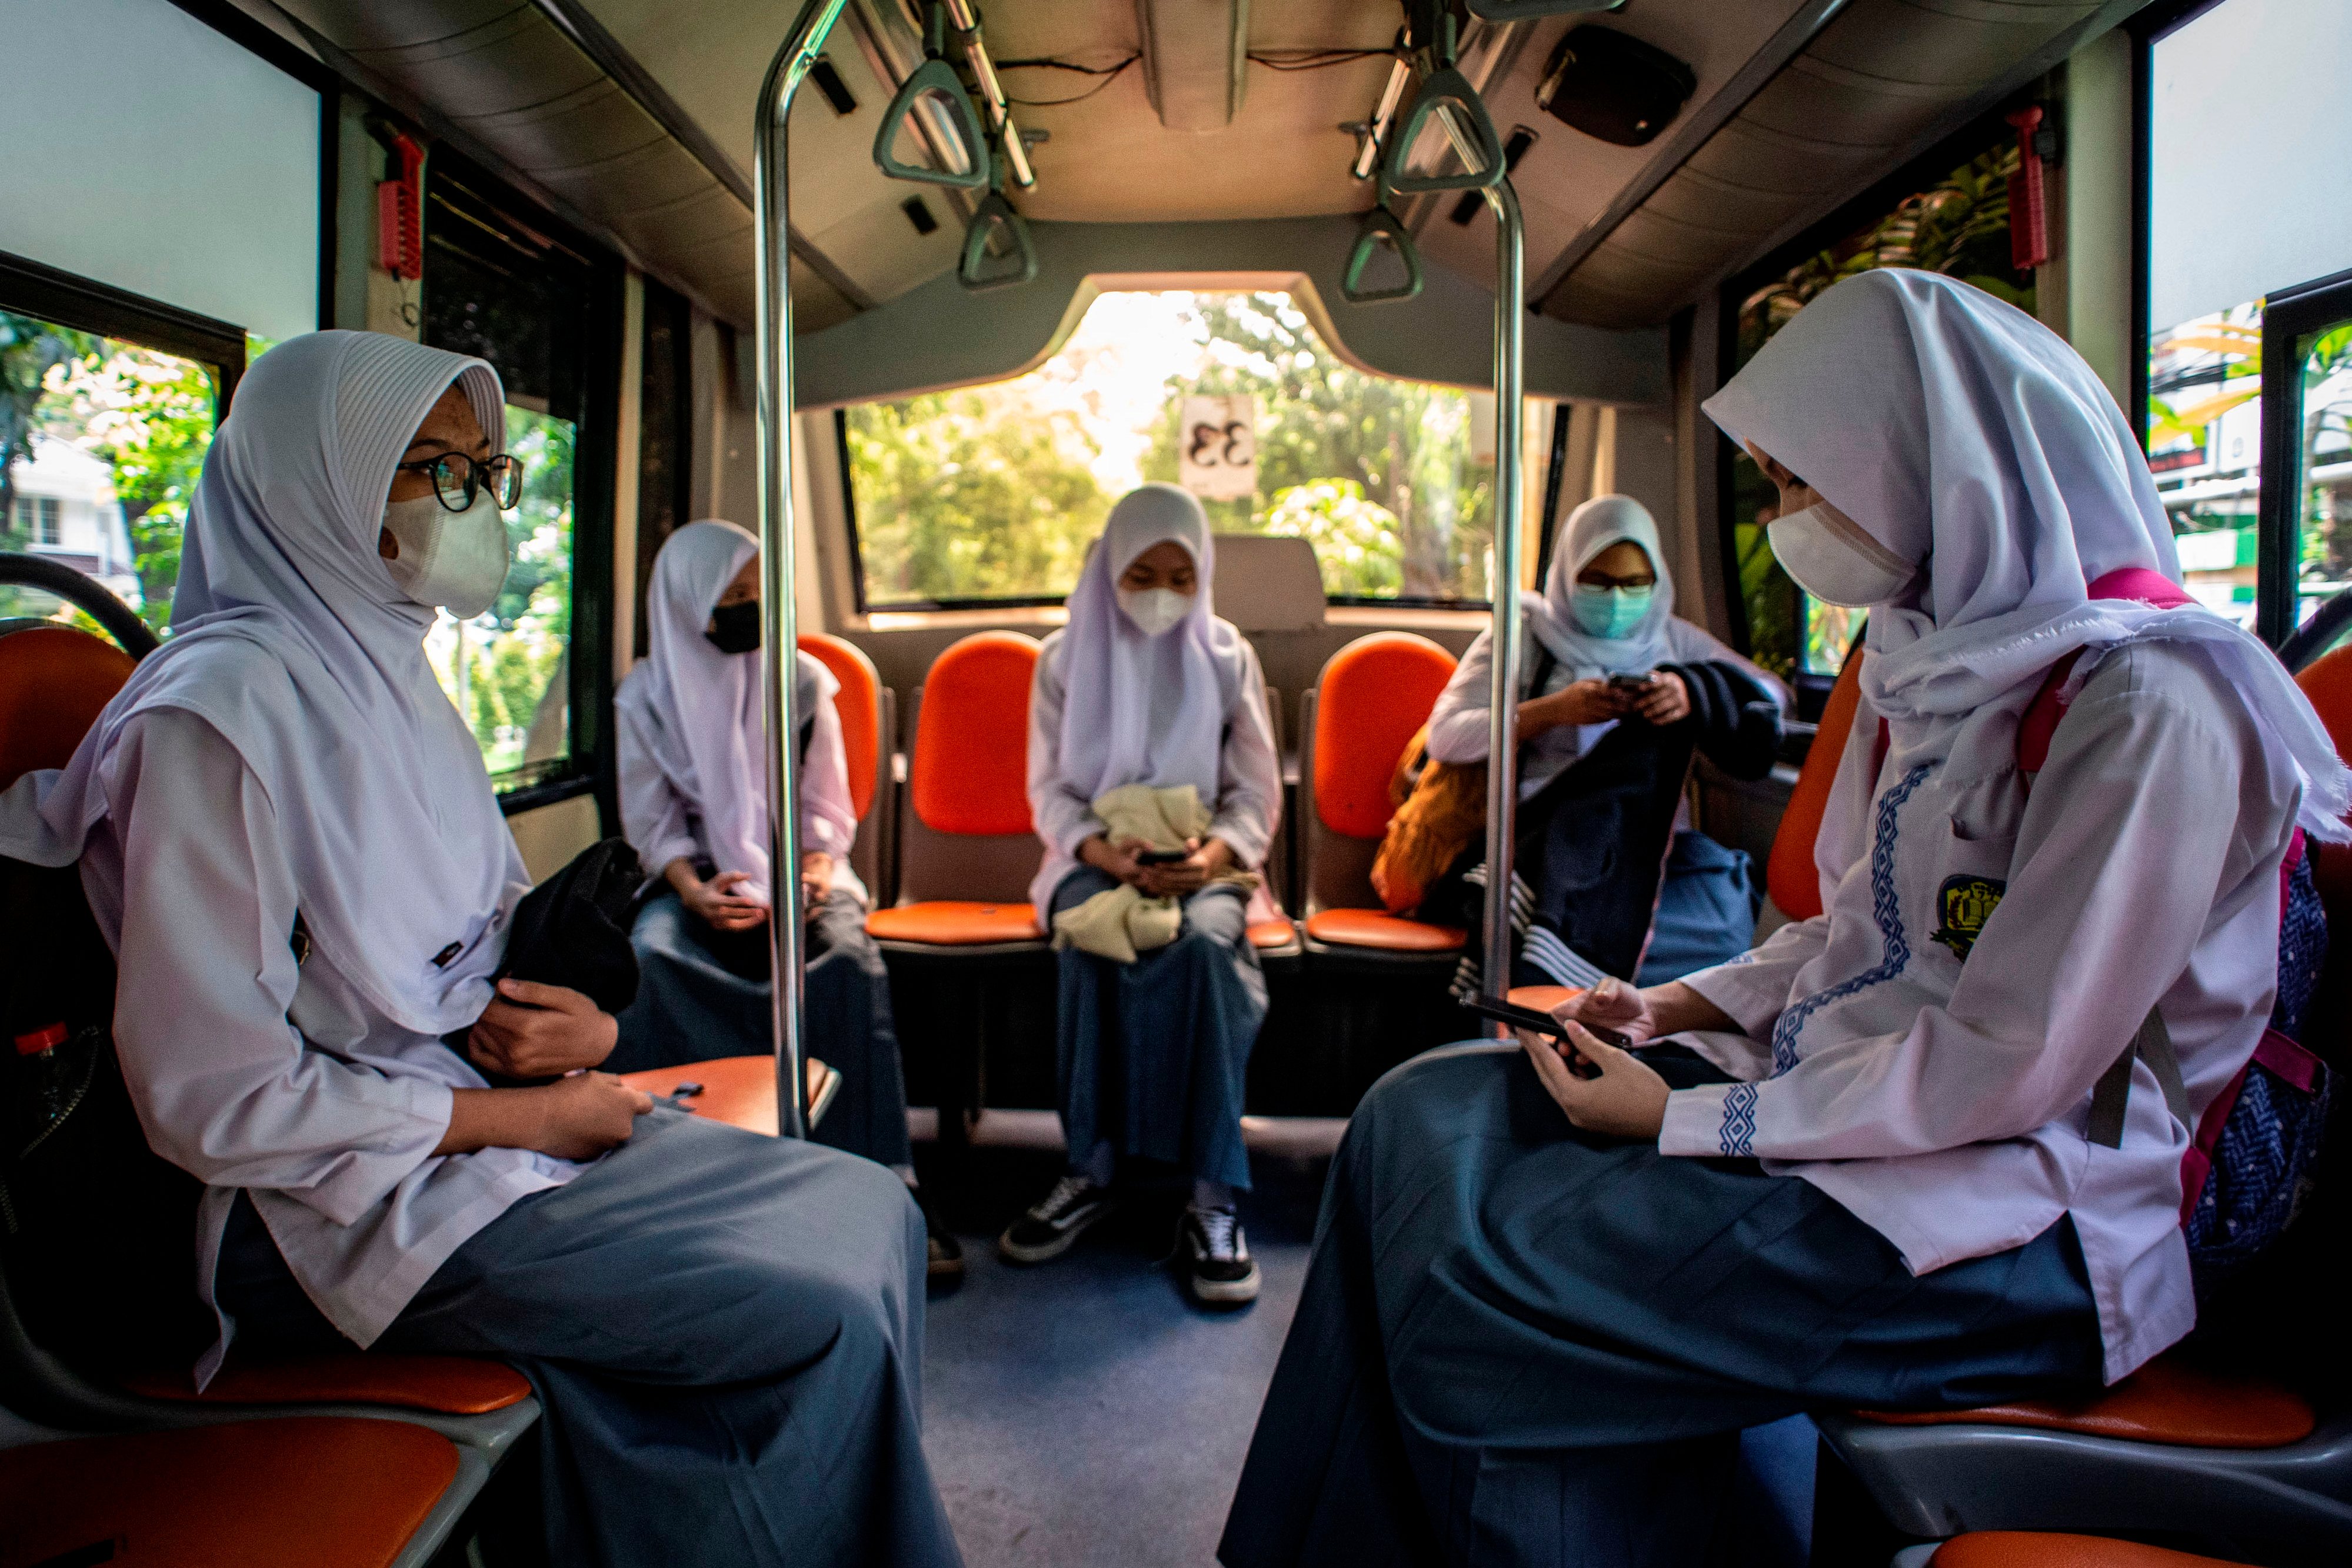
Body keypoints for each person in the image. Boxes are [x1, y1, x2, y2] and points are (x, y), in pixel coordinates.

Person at [1218, 269, 2351, 1567]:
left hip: (2048, 1209)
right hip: (1878, 1104)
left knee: (1495, 1286)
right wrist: (1678, 1006)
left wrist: (1689, 1112)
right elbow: (1856, 938)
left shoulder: (2151, 704)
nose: (1781, 520)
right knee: (1411, 1117)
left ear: (1929, 462)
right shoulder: (1925, 667)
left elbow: (2013, 1060)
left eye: (1797, 483)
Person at [0, 331, 964, 1568]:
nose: (478, 507)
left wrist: (585, 1036)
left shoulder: (391, 676)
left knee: (868, 1204)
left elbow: (474, 942)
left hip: (458, 1119)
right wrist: (532, 1123)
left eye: (489, 473)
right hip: (308, 1207)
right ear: (319, 483)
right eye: (436, 471)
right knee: (818, 1307)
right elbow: (217, 1101)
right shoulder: (216, 719)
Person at [607, 519, 958, 1279]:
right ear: (686, 603)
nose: (749, 608)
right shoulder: (645, 695)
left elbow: (826, 806)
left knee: (846, 963)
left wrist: (812, 875)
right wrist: (695, 891)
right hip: (699, 876)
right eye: (729, 595)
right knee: (653, 958)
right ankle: (690, 1181)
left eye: (757, 592)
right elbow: (652, 821)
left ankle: (885, 1186)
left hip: (803, 869)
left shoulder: (799, 681)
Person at [998, 483, 1282, 1305]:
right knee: (1092, 938)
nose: (1161, 592)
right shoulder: (1061, 658)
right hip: (1092, 853)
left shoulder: (1228, 656)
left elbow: (1255, 794)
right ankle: (1090, 1167)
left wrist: (1211, 854)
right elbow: (1048, 791)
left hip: (1207, 860)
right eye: (1141, 572)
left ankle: (1211, 1196)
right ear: (1109, 569)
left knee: (1198, 949)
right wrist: (1108, 855)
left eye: (1181, 576)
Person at [1408, 493, 1785, 988]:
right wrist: (1551, 712)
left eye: (1634, 584)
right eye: (1599, 582)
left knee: (1727, 919)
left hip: (1650, 843)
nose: (1616, 600)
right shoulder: (1526, 634)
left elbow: (1770, 695)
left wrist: (1689, 693)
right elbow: (1447, 736)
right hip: (1545, 838)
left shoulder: (1670, 639)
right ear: (1568, 575)